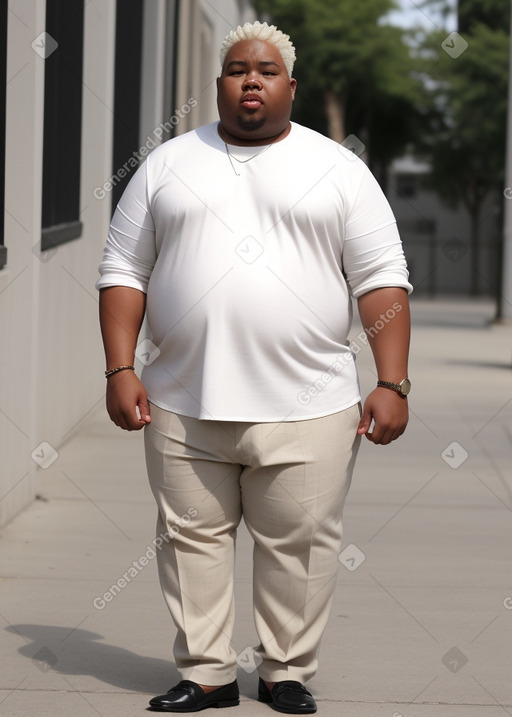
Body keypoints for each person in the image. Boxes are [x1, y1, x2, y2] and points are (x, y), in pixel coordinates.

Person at [97, 20, 412, 715]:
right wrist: (120, 367)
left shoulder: (338, 169)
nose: (250, 80)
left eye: (265, 70)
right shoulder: (168, 163)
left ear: (289, 86)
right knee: (190, 541)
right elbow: (123, 267)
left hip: (310, 404)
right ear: (219, 84)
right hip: (183, 398)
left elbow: (382, 279)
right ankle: (207, 672)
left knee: (300, 546)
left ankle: (285, 670)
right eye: (238, 68)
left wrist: (392, 382)